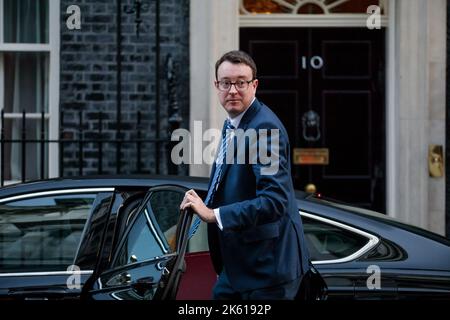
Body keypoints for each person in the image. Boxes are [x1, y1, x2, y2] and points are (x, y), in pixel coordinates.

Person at [180, 50, 310, 300]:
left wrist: (212, 214)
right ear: (216, 86)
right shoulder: (234, 123)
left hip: (267, 272)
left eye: (241, 82)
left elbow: (274, 202)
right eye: (226, 83)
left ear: (254, 85)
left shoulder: (264, 128)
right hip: (239, 267)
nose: (232, 90)